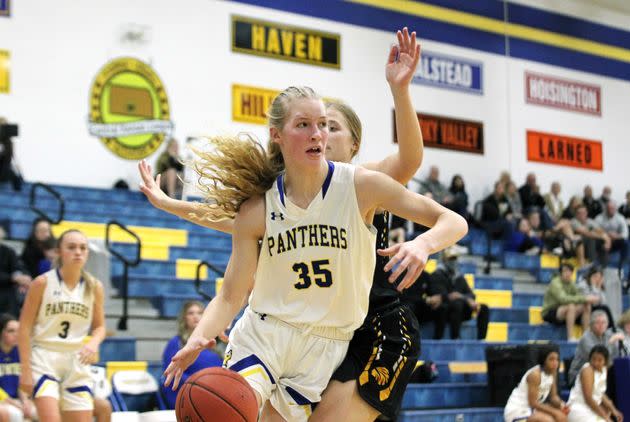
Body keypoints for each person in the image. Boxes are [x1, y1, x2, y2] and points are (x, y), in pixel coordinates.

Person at [141, 28, 442, 421]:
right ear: (282, 136)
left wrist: (401, 92)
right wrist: (173, 205)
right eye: (311, 124)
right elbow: (233, 220)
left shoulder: (363, 181)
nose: (320, 133)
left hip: (369, 321)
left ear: (354, 143)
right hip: (294, 322)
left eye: (330, 126)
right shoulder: (272, 197)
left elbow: (410, 163)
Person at [18, 230, 106, 422]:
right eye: (71, 247)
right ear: (59, 252)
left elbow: (100, 327)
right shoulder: (41, 283)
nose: (78, 252)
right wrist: (25, 370)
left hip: (77, 359)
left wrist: (93, 343)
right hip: (44, 356)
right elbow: (23, 328)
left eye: (83, 248)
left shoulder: (94, 287)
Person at [161, 301, 223, 409]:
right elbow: (171, 373)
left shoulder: (212, 342)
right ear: (184, 318)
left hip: (216, 393)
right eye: (191, 313)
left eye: (199, 313)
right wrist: (200, 386)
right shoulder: (176, 343)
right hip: (190, 394)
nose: (195, 316)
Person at [431, 246, 489, 340]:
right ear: (444, 260)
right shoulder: (437, 275)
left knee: (483, 308)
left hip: (462, 310)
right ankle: (455, 337)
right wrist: (460, 297)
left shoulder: (459, 277)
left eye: (455, 259)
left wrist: (463, 298)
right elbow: (441, 296)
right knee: (457, 304)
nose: (453, 261)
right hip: (445, 311)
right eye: (451, 259)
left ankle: (481, 339)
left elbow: (471, 295)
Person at [503, 347, 568, 422]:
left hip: (532, 410)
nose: (555, 363)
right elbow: (533, 403)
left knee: (562, 416)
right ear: (543, 360)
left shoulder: (553, 372)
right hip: (518, 410)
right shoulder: (535, 374)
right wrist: (555, 412)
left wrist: (562, 405)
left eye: (557, 359)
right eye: (551, 359)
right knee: (549, 420)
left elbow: (553, 397)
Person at [567, 345, 623, 422]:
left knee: (608, 407)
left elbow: (600, 394)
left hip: (591, 408)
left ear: (605, 361)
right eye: (593, 359)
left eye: (600, 360)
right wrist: (606, 418)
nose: (596, 363)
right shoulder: (587, 370)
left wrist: (614, 410)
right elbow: (588, 399)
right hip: (579, 408)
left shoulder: (604, 369)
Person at [567, 310, 622, 387]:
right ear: (591, 325)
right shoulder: (586, 338)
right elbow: (598, 359)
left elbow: (614, 357)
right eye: (597, 323)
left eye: (603, 322)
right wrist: (611, 342)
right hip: (580, 375)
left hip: (600, 373)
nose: (601, 325)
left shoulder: (608, 335)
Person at [542, 263, 595, 341]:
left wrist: (585, 299)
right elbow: (563, 299)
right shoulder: (555, 283)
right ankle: (570, 337)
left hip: (565, 311)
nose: (568, 273)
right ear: (561, 273)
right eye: (565, 271)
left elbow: (579, 296)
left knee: (586, 305)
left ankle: (585, 337)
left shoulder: (571, 283)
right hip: (550, 311)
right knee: (571, 306)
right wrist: (584, 298)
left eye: (570, 271)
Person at [0, 314, 37, 422]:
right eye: (11, 331)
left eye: (18, 331)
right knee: (9, 414)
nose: (16, 335)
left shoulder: (22, 353)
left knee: (40, 412)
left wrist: (25, 401)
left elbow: (23, 382)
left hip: (18, 400)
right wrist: (14, 403)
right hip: (4, 401)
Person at [0, 227, 31, 317]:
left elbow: (18, 267)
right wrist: (13, 278)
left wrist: (23, 277)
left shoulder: (8, 251)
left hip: (8, 293)